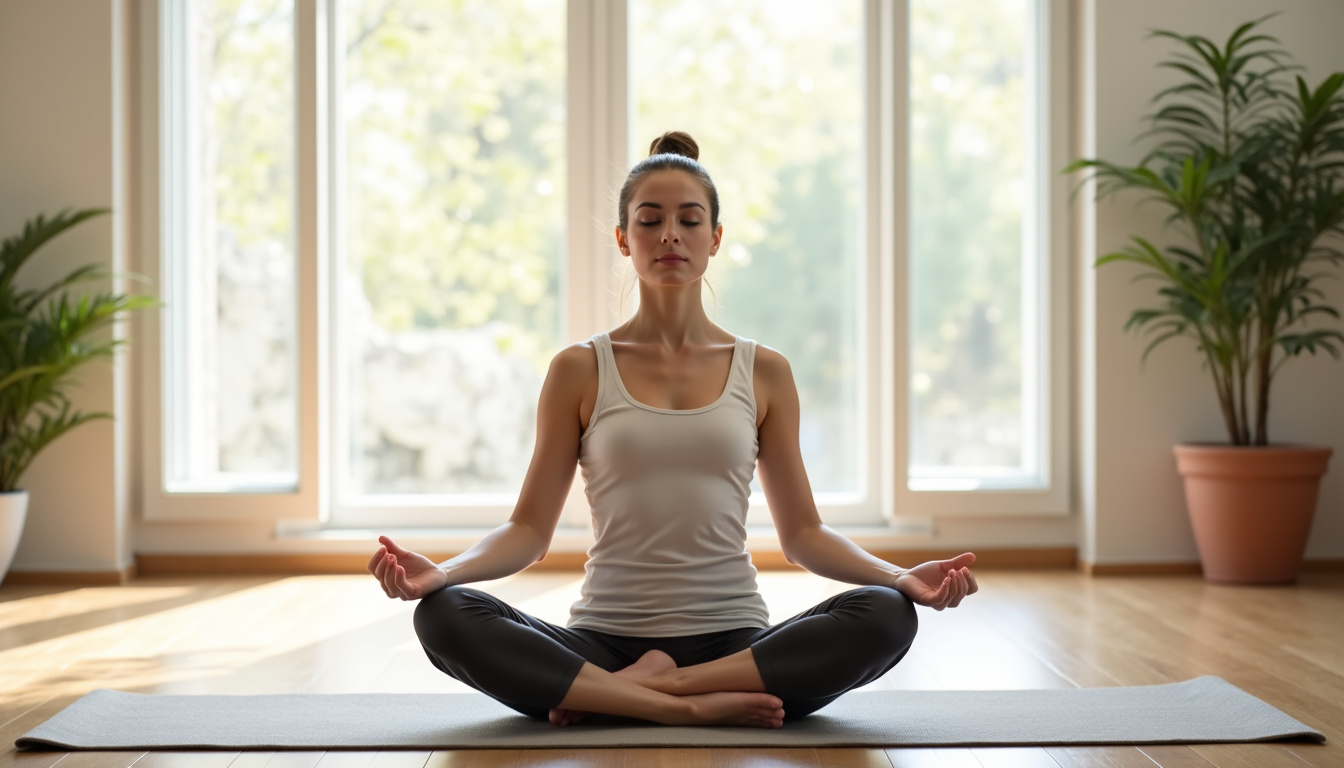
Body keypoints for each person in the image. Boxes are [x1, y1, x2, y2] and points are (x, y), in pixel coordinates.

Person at [368, 131, 978, 730]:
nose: (669, 235)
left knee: (888, 615)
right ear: (622, 238)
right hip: (603, 641)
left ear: (715, 239)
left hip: (733, 645)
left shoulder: (763, 371)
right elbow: (528, 531)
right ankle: (680, 707)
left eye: (689, 221)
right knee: (443, 616)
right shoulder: (579, 369)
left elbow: (805, 535)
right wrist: (444, 574)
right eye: (649, 219)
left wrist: (899, 577)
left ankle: (635, 695)